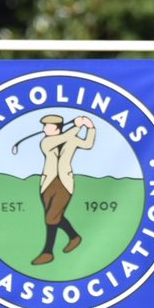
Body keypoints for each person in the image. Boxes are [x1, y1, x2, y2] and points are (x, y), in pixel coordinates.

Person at [31, 114, 96, 265]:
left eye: (46, 126)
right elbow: (62, 138)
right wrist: (78, 125)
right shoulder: (46, 142)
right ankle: (74, 237)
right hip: (47, 183)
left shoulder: (71, 138)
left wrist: (91, 128)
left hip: (65, 182)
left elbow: (88, 144)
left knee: (51, 217)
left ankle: (48, 252)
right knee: (54, 216)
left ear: (56, 127)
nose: (43, 128)